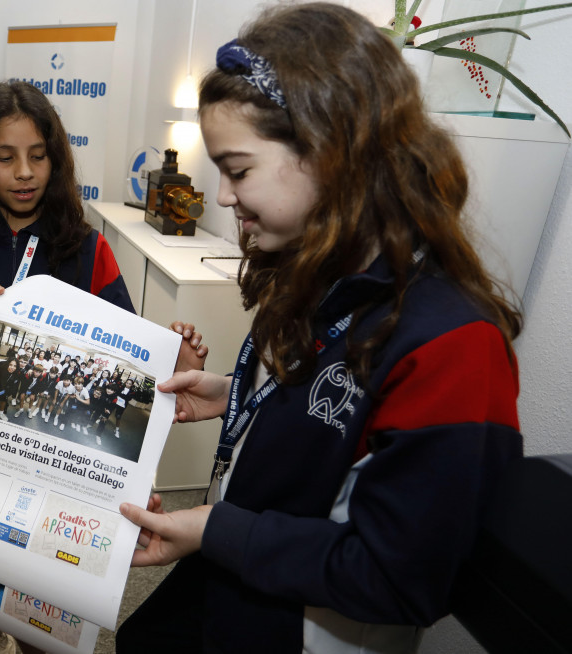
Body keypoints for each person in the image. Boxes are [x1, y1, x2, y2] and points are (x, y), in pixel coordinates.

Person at [115, 4, 524, 653]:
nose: (221, 197)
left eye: (238, 170)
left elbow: (401, 577)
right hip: (224, 602)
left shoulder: (456, 347)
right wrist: (233, 391)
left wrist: (217, 531)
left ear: (332, 152)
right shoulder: (320, 272)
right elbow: (337, 397)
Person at [0, 80, 136, 355]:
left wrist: (175, 359)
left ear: (55, 160)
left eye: (38, 156)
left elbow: (130, 345)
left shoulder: (90, 249)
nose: (24, 172)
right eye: (5, 158)